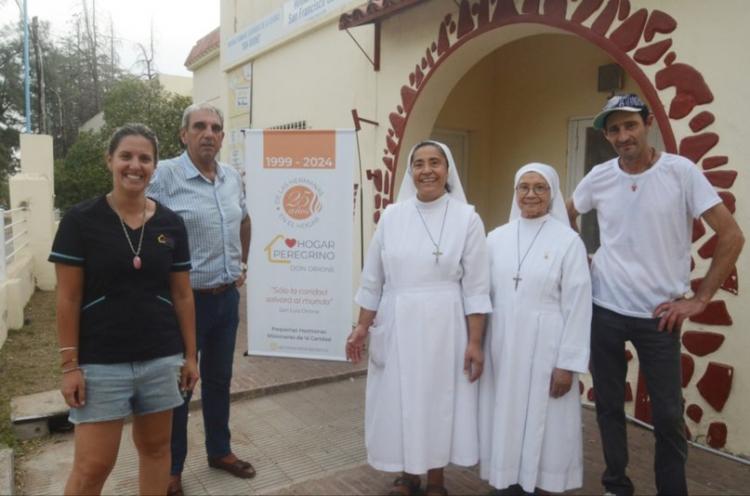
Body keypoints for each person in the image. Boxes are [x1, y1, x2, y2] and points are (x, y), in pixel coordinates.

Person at [567, 94, 745, 495]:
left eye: (630, 125)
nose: (622, 135)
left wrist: (699, 300)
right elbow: (567, 213)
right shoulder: (599, 176)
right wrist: (580, 259)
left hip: (659, 316)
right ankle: (616, 484)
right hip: (605, 309)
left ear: (647, 123)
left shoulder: (680, 172)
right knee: (609, 406)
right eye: (614, 129)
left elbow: (731, 235)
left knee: (667, 415)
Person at [50, 124, 199, 495]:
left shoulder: (171, 224)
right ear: (110, 161)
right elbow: (67, 298)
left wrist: (190, 356)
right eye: (126, 156)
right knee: (92, 466)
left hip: (161, 358)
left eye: (145, 158)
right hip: (101, 363)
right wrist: (70, 366)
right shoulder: (80, 221)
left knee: (156, 450)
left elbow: (182, 295)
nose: (135, 165)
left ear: (155, 165)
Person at [346, 140, 491, 496]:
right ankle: (407, 477)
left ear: (447, 169)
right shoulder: (392, 216)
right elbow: (373, 278)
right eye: (419, 163)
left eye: (435, 163)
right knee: (398, 399)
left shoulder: (467, 218)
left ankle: (436, 479)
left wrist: (474, 342)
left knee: (436, 400)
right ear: (411, 171)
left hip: (445, 325)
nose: (427, 170)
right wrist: (362, 327)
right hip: (397, 322)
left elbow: (476, 288)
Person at [147, 103, 253, 496]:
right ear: (184, 134)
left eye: (216, 128)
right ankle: (172, 469)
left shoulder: (230, 179)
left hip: (226, 300)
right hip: (183, 304)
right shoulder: (165, 177)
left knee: (220, 381)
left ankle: (220, 451)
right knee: (181, 386)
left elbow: (244, 219)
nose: (209, 133)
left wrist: (243, 264)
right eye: (200, 127)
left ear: (223, 136)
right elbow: (142, 223)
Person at [479, 163, 592, 495]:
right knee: (504, 414)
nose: (530, 194)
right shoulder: (495, 238)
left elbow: (578, 306)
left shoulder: (568, 242)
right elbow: (480, 293)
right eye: (523, 187)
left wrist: (568, 364)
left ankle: (541, 482)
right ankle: (505, 479)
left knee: (548, 421)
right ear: (515, 193)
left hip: (548, 346)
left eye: (540, 187)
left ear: (552, 194)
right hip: (502, 343)